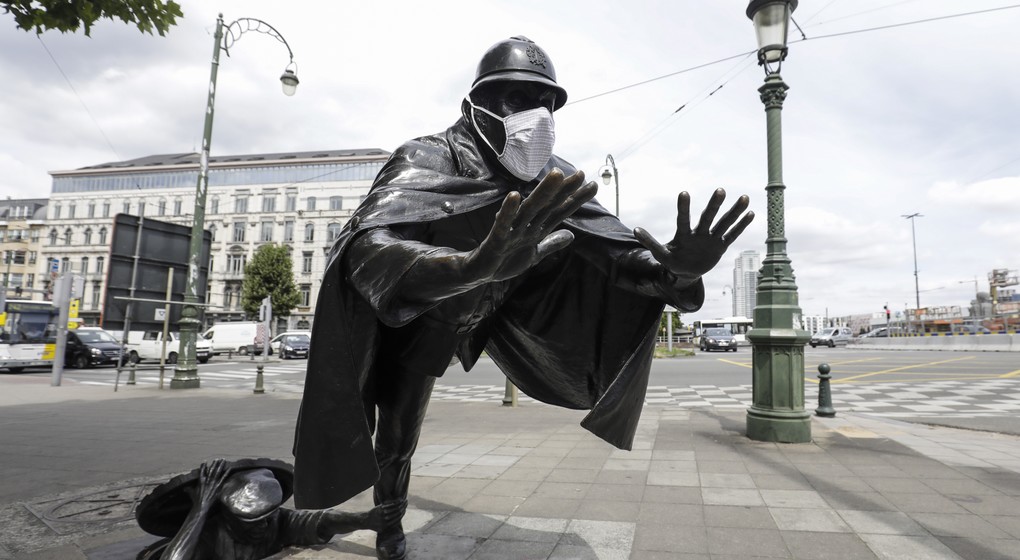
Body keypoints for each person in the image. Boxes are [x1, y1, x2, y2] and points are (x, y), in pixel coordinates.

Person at [293, 36, 754, 560]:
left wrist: (674, 272)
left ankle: (388, 514)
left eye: (546, 104)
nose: (536, 115)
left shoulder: (549, 175)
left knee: (401, 435)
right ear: (479, 103)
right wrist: (468, 267)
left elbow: (621, 258)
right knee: (396, 438)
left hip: (486, 316)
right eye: (519, 99)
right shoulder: (427, 156)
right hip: (413, 318)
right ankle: (390, 525)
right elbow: (369, 247)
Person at [135, 458, 402, 560]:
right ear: (229, 518)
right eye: (253, 521)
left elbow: (319, 522)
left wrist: (365, 520)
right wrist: (201, 506)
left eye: (267, 516)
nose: (264, 524)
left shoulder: (274, 522)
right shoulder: (210, 534)